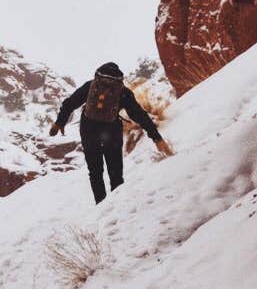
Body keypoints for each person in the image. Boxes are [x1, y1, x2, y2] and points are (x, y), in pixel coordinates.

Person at [49, 62, 173, 203]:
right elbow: (138, 114)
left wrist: (59, 122)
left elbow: (69, 103)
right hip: (112, 132)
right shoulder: (122, 91)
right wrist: (156, 138)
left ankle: (101, 206)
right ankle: (117, 206)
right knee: (115, 173)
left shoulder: (91, 86)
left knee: (95, 172)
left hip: (88, 131)